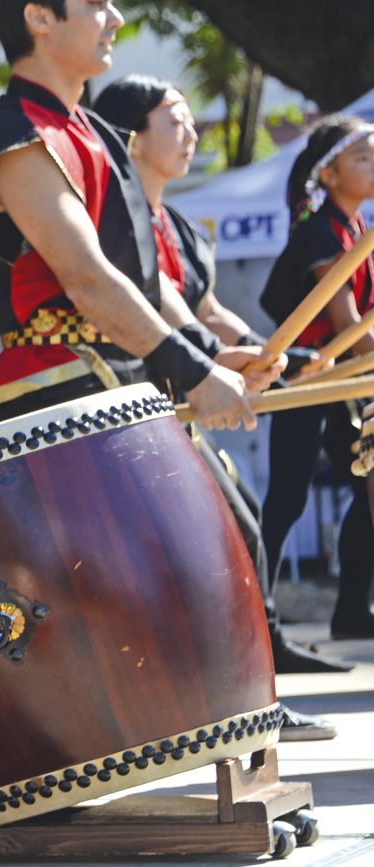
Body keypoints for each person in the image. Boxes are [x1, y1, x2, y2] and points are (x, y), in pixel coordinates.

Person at [93, 77, 349, 739]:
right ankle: (227, 697)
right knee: (223, 529)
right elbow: (164, 313)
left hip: (179, 395)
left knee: (240, 522)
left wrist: (265, 354)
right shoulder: (117, 226)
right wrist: (214, 359)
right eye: (173, 122)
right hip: (130, 402)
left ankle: (250, 685)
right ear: (131, 139)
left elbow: (206, 311)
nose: (191, 133)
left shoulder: (176, 225)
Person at [0, 0, 279, 427]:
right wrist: (194, 371)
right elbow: (88, 281)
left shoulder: (94, 133)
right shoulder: (20, 141)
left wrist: (206, 352)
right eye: (96, 4)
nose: (116, 19)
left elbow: (137, 274)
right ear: (39, 17)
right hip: (58, 397)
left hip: (121, 379)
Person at [257, 116, 374, 640]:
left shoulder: (354, 228)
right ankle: (260, 620)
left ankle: (351, 611)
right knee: (288, 497)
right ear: (328, 175)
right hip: (310, 373)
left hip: (345, 377)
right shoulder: (322, 230)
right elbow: (350, 328)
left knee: (365, 483)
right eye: (363, 158)